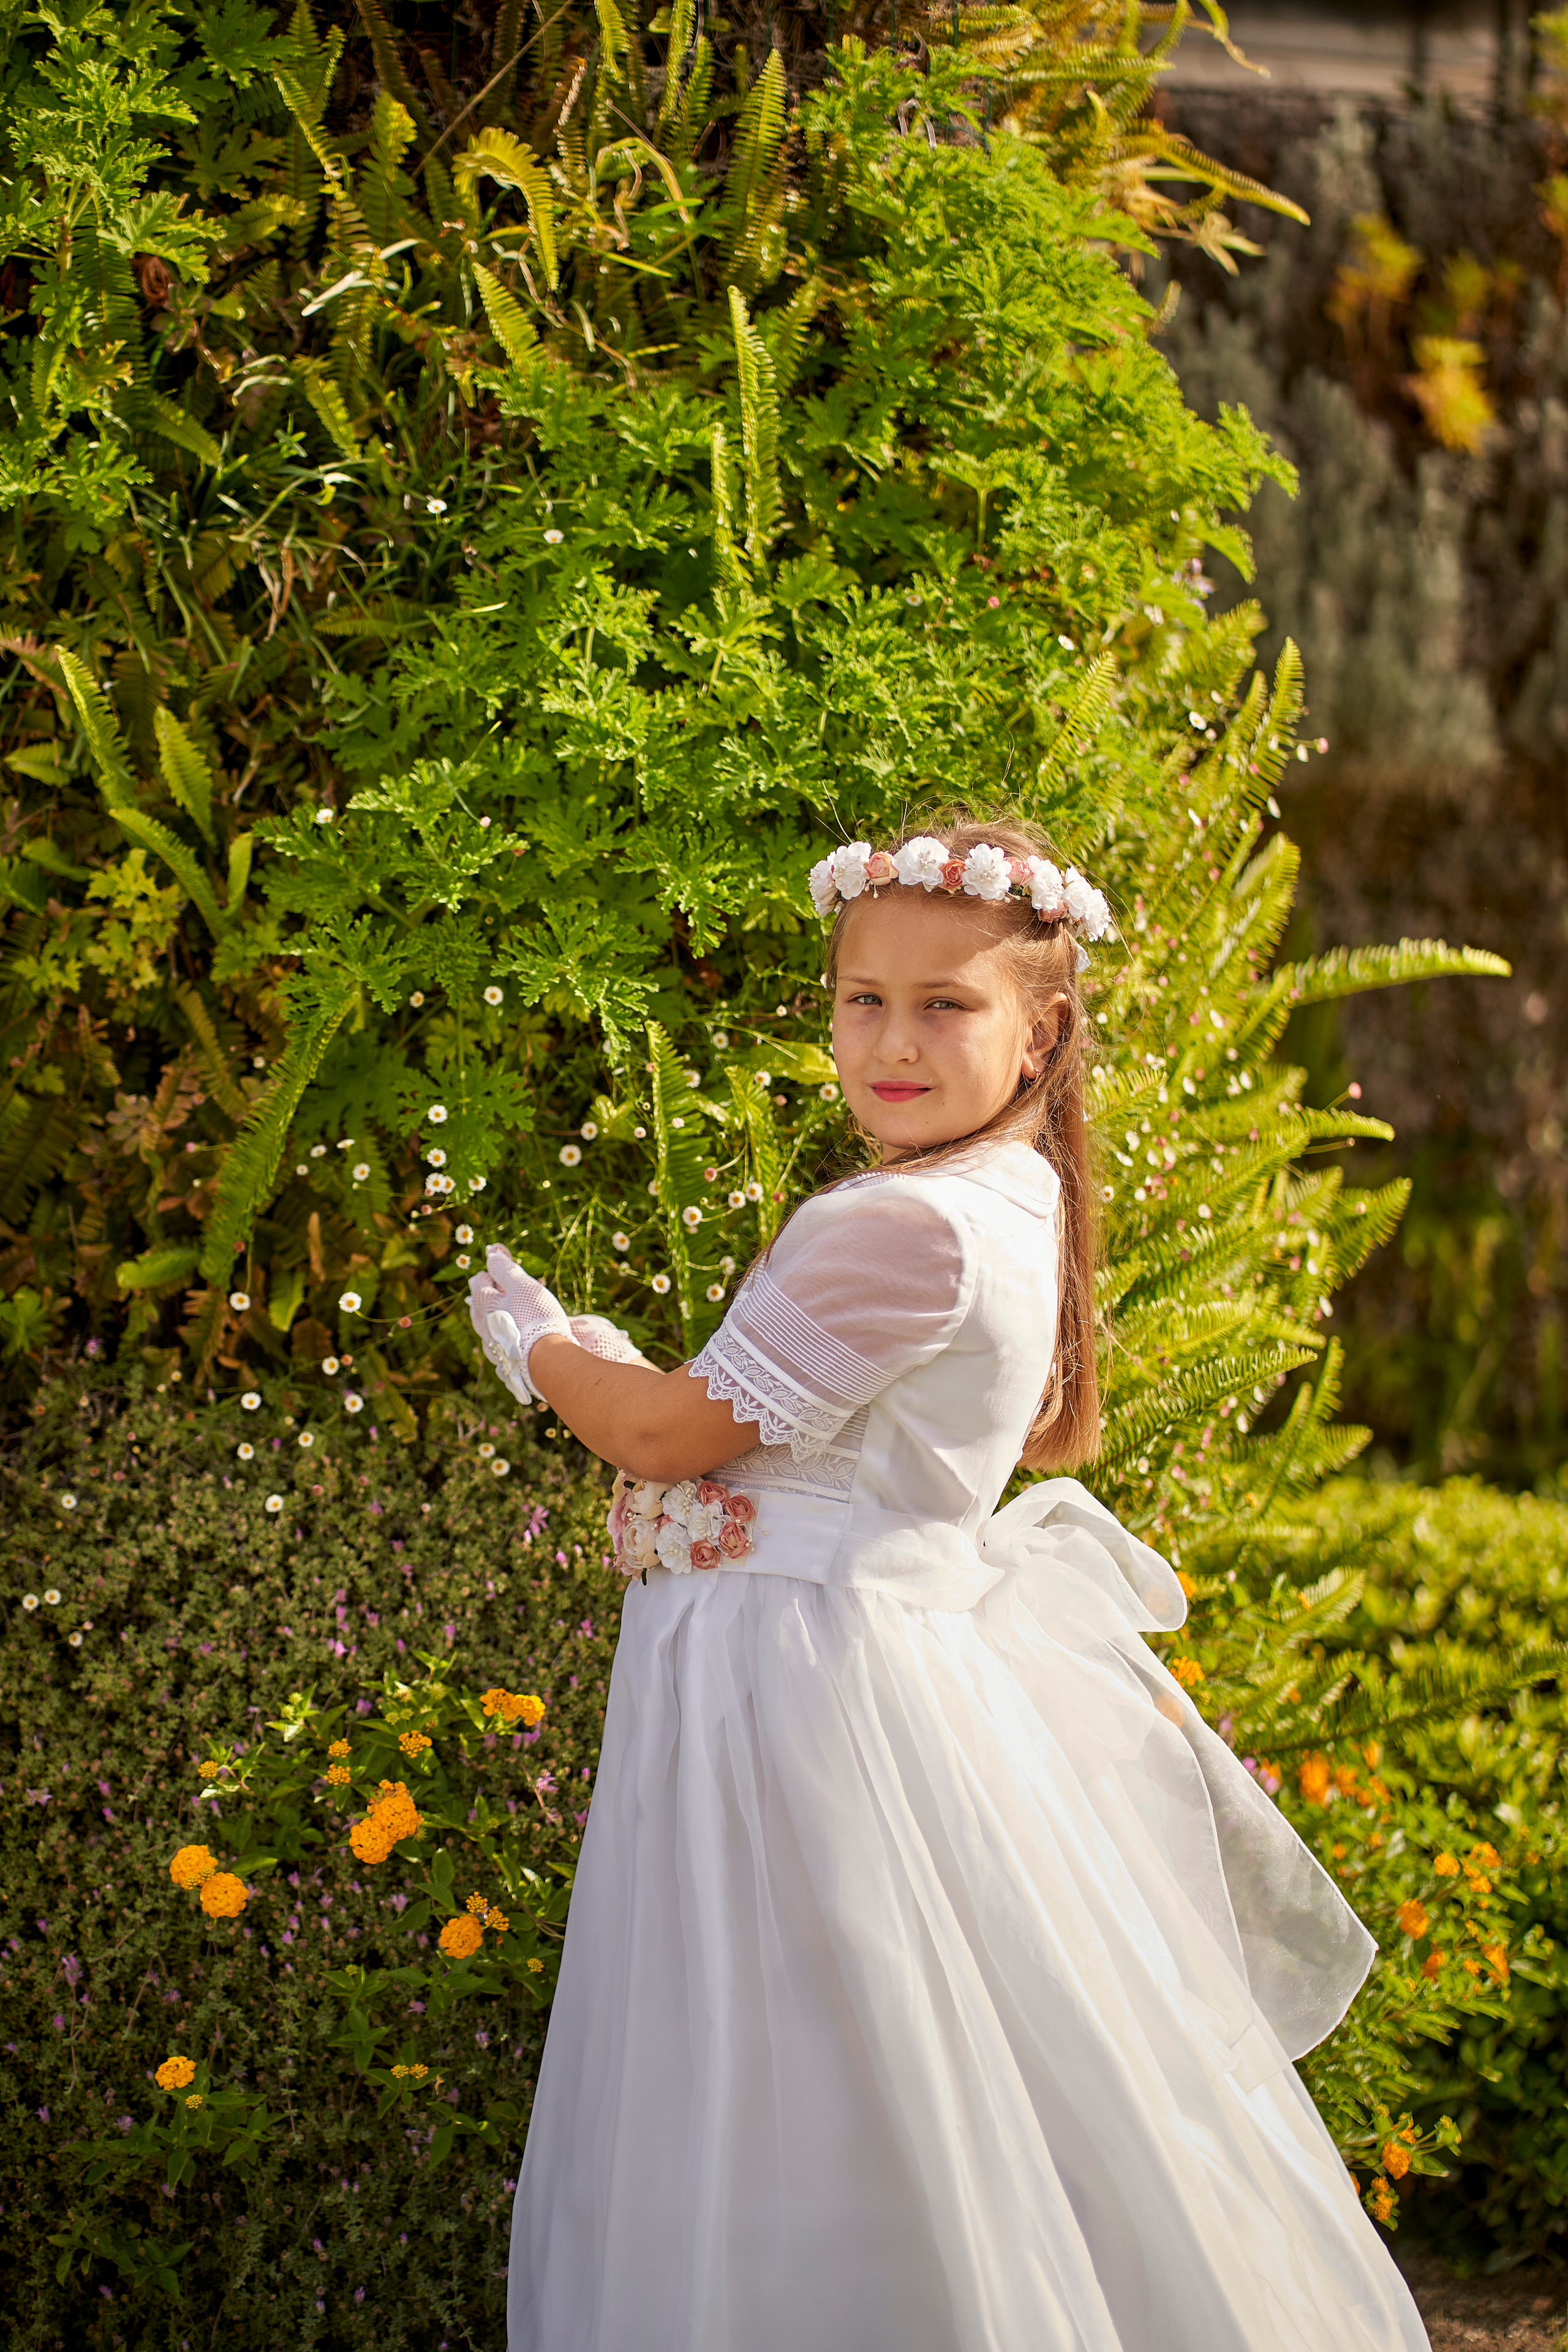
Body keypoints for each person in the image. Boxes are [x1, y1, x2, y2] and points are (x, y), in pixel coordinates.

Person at [468, 816, 1430, 2352]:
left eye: (945, 1006)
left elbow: (662, 1432)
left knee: (805, 2075)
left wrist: (543, 1346)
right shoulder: (1004, 1199)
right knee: (883, 2067)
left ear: (1039, 1032)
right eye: (862, 999)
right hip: (840, 1679)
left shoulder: (897, 1225)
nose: (892, 1042)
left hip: (804, 1714)